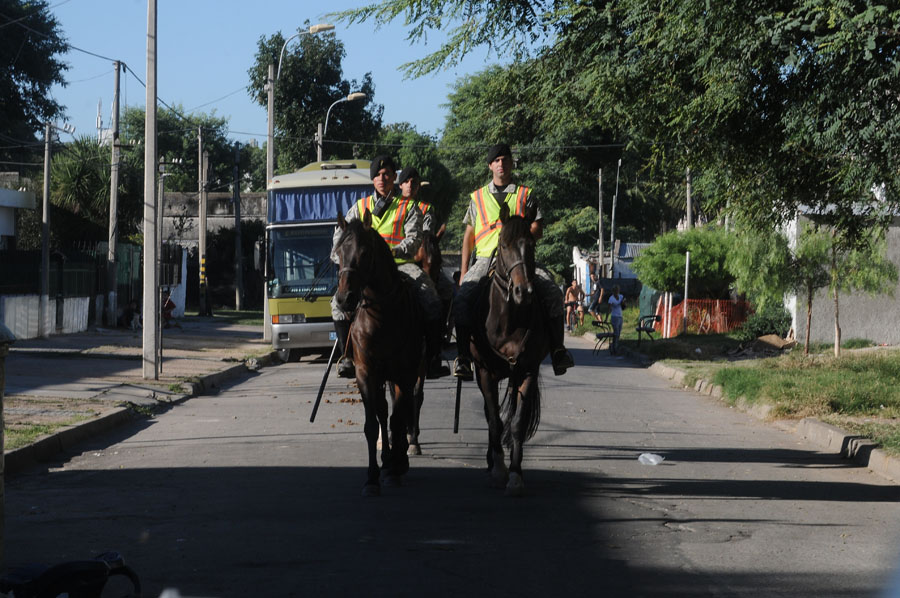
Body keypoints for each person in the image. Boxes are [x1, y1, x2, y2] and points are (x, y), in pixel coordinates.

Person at [453, 143, 575, 379]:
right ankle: (464, 358)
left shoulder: (525, 194)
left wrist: (522, 231)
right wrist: (465, 268)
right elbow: (469, 235)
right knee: (463, 297)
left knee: (552, 292)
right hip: (486, 258)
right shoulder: (477, 197)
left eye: (505, 159)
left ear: (511, 163)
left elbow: (538, 228)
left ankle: (558, 350)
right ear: (490, 165)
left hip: (519, 258)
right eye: (496, 160)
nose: (501, 164)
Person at [330, 155, 448, 379]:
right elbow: (341, 238)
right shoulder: (359, 207)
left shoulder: (410, 206)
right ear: (373, 180)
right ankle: (347, 356)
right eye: (378, 175)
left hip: (402, 266)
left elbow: (414, 240)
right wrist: (341, 259)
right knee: (337, 303)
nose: (382, 179)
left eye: (387, 175)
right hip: (365, 269)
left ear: (395, 178)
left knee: (431, 298)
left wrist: (392, 252)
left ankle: (434, 356)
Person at [399, 166, 455, 357]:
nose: (410, 185)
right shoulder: (391, 207)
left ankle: (440, 332)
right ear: (400, 185)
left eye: (414, 182)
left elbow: (427, 237)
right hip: (396, 259)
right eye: (407, 182)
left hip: (421, 260)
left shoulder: (426, 209)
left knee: (447, 288)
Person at [608, 285, 626, 354]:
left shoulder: (621, 296)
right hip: (614, 317)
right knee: (616, 333)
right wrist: (606, 318)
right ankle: (614, 348)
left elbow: (624, 306)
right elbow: (609, 309)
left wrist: (623, 302)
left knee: (618, 333)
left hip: (620, 316)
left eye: (618, 290)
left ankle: (614, 346)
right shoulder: (611, 298)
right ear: (613, 291)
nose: (617, 292)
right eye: (615, 290)